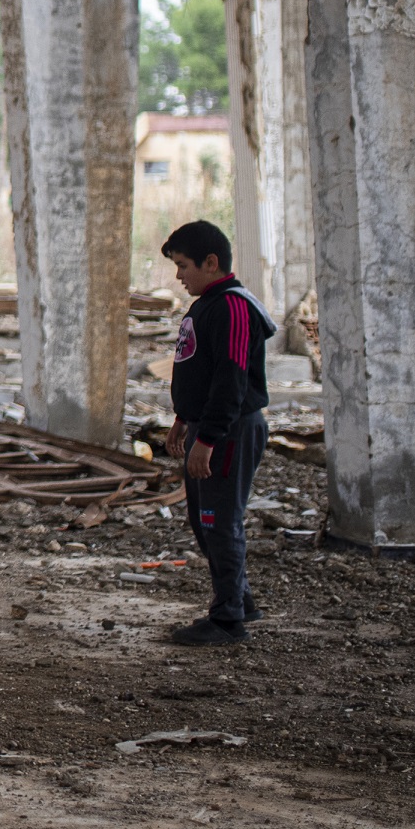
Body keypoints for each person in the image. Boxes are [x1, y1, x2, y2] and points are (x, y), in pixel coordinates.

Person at [160, 220, 271, 647]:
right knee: (204, 521)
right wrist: (184, 418)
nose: (178, 275)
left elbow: (231, 379)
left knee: (220, 522)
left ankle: (228, 620)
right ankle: (240, 601)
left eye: (183, 265)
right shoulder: (207, 304)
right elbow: (200, 370)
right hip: (208, 426)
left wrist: (207, 439)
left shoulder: (234, 307)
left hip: (229, 430)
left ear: (210, 262)